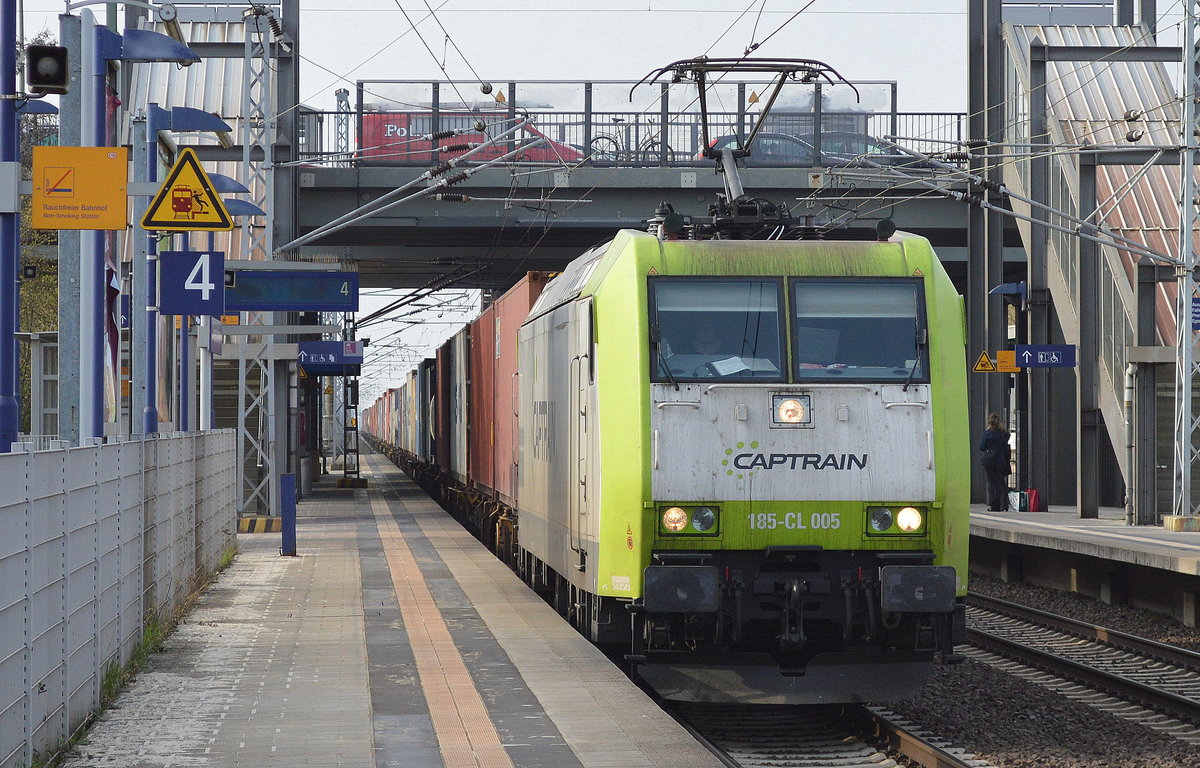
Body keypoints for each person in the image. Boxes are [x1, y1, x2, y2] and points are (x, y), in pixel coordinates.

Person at [978, 413, 1011, 511]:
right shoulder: (1002, 434)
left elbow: (981, 447)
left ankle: (994, 505)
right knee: (1000, 483)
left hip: (989, 461)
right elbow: (1006, 439)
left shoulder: (987, 433)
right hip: (1000, 461)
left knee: (991, 483)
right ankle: (1004, 504)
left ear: (989, 422)